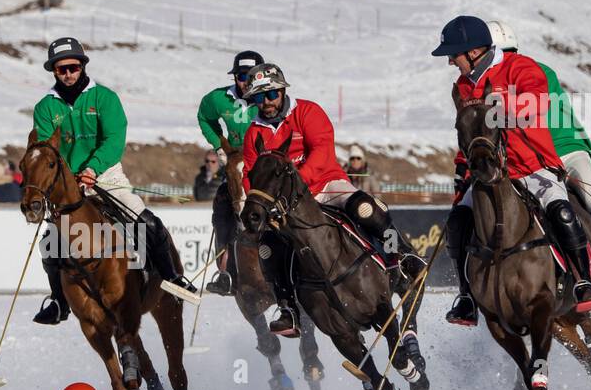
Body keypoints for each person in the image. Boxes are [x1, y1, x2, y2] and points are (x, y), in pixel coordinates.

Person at [432, 15, 591, 326]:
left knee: (562, 211)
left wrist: (494, 110)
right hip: (490, 174)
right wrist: (463, 170)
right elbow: (469, 135)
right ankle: (466, 296)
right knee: (457, 220)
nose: (451, 63)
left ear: (472, 52)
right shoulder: (461, 87)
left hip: (533, 166)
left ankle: (582, 282)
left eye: (453, 55)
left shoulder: (522, 68)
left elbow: (536, 105)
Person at [31, 36, 198, 325]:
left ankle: (172, 278)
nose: (68, 74)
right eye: (61, 69)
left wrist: (93, 169)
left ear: (82, 66)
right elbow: (48, 152)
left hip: (106, 176)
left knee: (148, 223)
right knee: (49, 243)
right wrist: (69, 178)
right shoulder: (46, 107)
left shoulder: (104, 98)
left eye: (73, 67)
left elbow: (114, 139)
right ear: (54, 72)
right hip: (68, 185)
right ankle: (59, 301)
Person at [487, 20, 591, 298]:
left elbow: (526, 114)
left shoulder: (537, 71)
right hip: (528, 160)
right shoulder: (489, 82)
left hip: (565, 149)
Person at [241, 62, 410, 337]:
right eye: (259, 97)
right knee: (268, 247)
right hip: (285, 204)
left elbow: (321, 149)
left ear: (282, 92)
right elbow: (250, 174)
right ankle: (288, 308)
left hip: (325, 183)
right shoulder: (254, 132)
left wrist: (300, 183)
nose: (266, 102)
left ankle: (400, 256)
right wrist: (260, 204)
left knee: (366, 209)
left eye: (271, 95)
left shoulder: (307, 111)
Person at [196, 50, 262, 296]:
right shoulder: (218, 98)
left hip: (265, 171)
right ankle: (226, 273)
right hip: (235, 169)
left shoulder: (270, 97)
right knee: (222, 212)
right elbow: (204, 117)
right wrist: (219, 146)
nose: (246, 81)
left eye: (252, 75)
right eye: (242, 75)